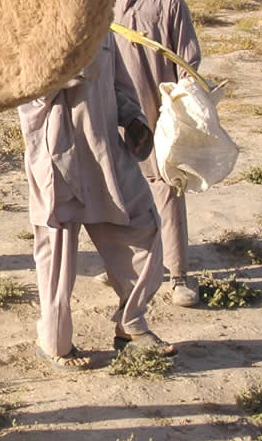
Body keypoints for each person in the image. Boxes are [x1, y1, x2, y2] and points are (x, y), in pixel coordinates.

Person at [17, 33, 176, 369]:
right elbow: (25, 87)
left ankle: (131, 325)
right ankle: (55, 343)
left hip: (106, 152)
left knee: (143, 226)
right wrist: (75, 64)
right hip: (59, 152)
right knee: (57, 249)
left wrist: (132, 119)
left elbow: (118, 84)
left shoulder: (102, 27)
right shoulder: (30, 26)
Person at [112, 0, 202, 307]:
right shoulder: (106, 2)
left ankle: (178, 275)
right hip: (117, 114)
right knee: (119, 194)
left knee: (167, 190)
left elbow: (188, 61)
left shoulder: (168, 2)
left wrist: (178, 110)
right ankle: (127, 269)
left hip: (159, 115)